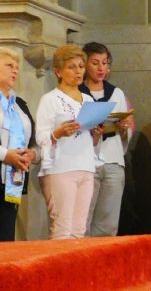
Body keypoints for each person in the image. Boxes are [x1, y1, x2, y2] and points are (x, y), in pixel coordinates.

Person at [36, 44, 103, 239]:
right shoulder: (50, 99)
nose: (78, 71)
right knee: (62, 229)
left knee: (79, 230)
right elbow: (41, 136)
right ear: (58, 71)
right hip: (61, 167)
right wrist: (58, 132)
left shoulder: (88, 99)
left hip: (86, 166)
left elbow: (91, 141)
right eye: (71, 67)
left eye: (81, 66)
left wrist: (96, 134)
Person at [79, 42, 133, 237]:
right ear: (85, 64)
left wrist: (124, 128)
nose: (101, 68)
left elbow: (126, 131)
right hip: (86, 160)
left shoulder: (116, 93)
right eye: (95, 63)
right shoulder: (77, 93)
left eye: (105, 62)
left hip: (112, 159)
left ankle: (102, 254)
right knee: (83, 218)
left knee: (108, 220)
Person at [0, 47, 37, 241]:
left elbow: (33, 140)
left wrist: (31, 153)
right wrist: (6, 155)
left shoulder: (19, 104)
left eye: (17, 67)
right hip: (4, 164)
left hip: (11, 180)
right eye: (9, 65)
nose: (15, 70)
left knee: (6, 239)